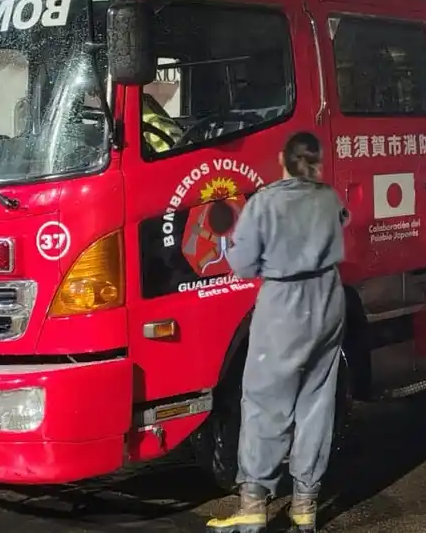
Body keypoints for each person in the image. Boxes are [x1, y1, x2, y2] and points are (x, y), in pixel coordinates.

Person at [207, 132, 347, 533]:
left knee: (266, 401)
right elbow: (342, 233)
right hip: (328, 297)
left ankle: (253, 505)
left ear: (282, 159)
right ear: (316, 161)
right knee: (317, 401)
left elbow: (245, 266)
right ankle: (305, 506)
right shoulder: (328, 198)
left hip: (285, 303)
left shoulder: (265, 202)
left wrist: (230, 244)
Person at [141, 73, 184, 154]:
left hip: (173, 147)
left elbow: (165, 123)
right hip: (164, 153)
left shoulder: (147, 99)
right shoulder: (130, 103)